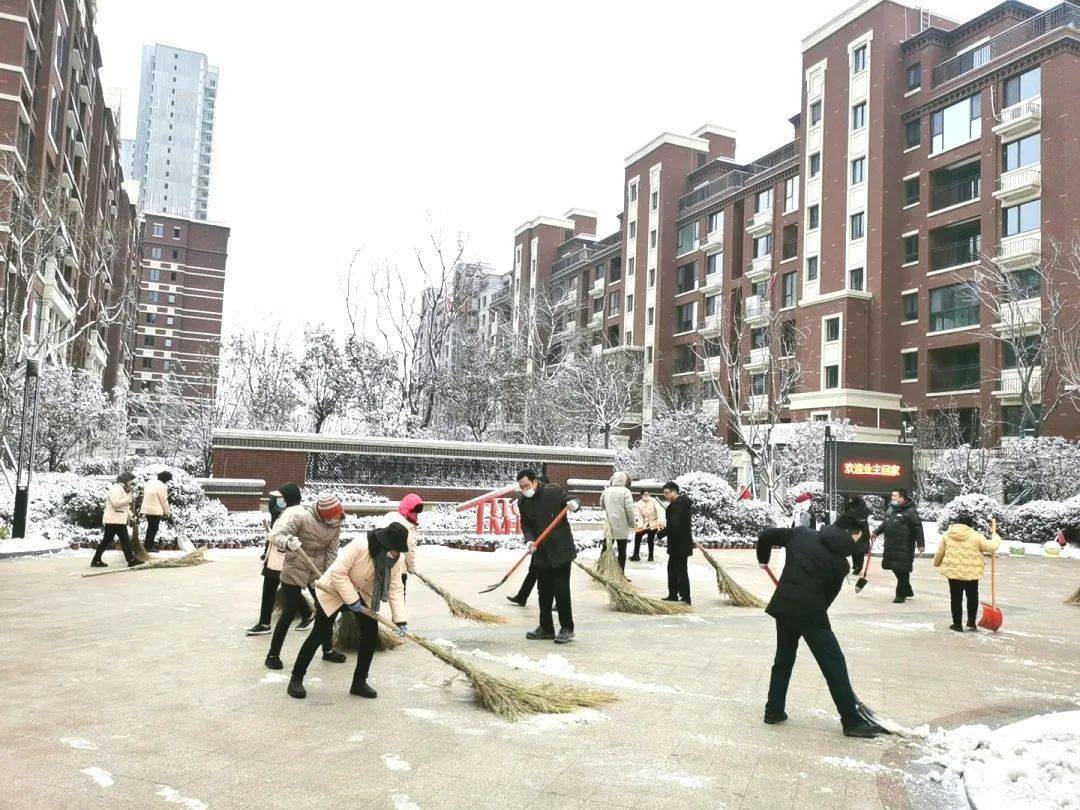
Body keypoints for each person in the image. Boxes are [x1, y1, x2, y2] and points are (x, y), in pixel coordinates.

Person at [756, 517, 884, 738]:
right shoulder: (841, 565)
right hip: (811, 614)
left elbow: (766, 535)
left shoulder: (801, 534)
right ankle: (852, 721)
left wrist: (763, 560)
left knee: (784, 658)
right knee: (834, 664)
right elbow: (826, 600)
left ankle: (773, 710)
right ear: (852, 535)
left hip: (784, 606)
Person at [287, 522, 410, 699]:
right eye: (394, 550)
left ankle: (359, 682)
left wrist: (400, 619)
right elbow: (338, 573)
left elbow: (395, 587)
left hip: (363, 594)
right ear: (384, 544)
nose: (396, 554)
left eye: (399, 551)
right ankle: (296, 678)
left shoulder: (397, 560)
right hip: (335, 590)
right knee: (320, 633)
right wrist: (352, 600)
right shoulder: (360, 545)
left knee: (370, 634)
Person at [265, 494, 347, 670]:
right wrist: (288, 542)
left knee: (326, 610)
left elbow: (332, 552)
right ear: (323, 515)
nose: (335, 520)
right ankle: (273, 655)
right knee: (289, 611)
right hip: (295, 566)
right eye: (332, 517)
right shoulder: (301, 517)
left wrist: (328, 576)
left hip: (317, 571)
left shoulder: (336, 524)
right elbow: (275, 535)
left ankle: (328, 650)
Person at [517, 468, 580, 644]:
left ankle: (567, 628)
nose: (524, 490)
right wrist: (529, 540)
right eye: (521, 487)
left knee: (561, 591)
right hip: (541, 552)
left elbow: (570, 499)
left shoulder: (553, 491)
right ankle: (546, 628)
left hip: (561, 550)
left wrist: (574, 504)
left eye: (527, 485)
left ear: (535, 481)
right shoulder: (523, 502)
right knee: (543, 592)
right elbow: (525, 524)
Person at [246, 484, 313, 636]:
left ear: (288, 497)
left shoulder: (294, 513)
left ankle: (265, 623)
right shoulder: (291, 511)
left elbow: (281, 535)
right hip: (277, 557)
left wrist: (271, 536)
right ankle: (306, 614)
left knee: (281, 588)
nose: (278, 500)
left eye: (281, 497)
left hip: (283, 557)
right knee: (281, 587)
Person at [933, 512, 1001, 632]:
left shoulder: (947, 535)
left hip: (953, 572)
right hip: (972, 573)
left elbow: (940, 552)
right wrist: (996, 537)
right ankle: (971, 622)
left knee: (956, 598)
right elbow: (991, 547)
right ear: (970, 524)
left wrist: (936, 563)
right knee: (972, 597)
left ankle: (957, 624)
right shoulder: (976, 536)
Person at [872, 489, 925, 603]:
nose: (893, 498)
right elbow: (885, 523)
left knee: (902, 570)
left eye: (895, 496)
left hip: (904, 546)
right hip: (891, 545)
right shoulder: (891, 509)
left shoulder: (911, 511)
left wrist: (921, 544)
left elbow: (918, 528)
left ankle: (900, 595)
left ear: (902, 498)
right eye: (892, 495)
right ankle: (907, 589)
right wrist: (876, 532)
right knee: (897, 570)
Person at [91, 472, 139, 568]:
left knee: (114, 540)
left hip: (117, 519)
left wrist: (130, 516)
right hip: (114, 519)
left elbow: (124, 507)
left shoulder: (122, 489)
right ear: (125, 481)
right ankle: (131, 560)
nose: (131, 483)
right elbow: (115, 503)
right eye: (130, 481)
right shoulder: (116, 489)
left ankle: (131, 560)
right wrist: (129, 498)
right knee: (121, 540)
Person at [657, 481, 693, 605]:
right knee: (672, 569)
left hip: (680, 544)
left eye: (667, 493)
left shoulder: (679, 505)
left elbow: (674, 524)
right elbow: (673, 524)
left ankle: (685, 598)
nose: (665, 496)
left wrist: (661, 533)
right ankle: (673, 594)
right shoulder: (678, 504)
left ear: (674, 491)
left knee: (680, 570)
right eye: (664, 494)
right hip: (677, 543)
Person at [601, 472, 636, 571]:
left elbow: (602, 504)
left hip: (609, 525)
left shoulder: (607, 490)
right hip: (622, 526)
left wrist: (609, 510)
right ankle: (620, 574)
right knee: (622, 551)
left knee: (605, 548)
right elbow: (629, 509)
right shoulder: (626, 492)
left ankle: (601, 570)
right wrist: (633, 524)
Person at [139, 471, 173, 553]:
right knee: (153, 529)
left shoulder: (149, 483)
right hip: (155, 510)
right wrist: (167, 512)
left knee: (150, 528)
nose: (168, 482)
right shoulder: (162, 486)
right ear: (165, 479)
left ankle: (147, 545)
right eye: (168, 480)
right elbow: (164, 500)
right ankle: (149, 546)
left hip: (147, 509)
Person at [840, 495, 871, 576]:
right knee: (858, 552)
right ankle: (857, 567)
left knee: (857, 551)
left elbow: (846, 516)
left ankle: (857, 566)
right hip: (861, 533)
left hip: (857, 533)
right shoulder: (863, 509)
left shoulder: (854, 510)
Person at [630, 490, 661, 562]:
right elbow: (640, 516)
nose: (646, 495)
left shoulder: (654, 501)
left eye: (648, 494)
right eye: (645, 494)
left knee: (650, 539)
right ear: (641, 495)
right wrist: (640, 527)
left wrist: (660, 521)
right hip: (644, 524)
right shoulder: (639, 503)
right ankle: (636, 555)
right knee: (637, 535)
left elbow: (659, 510)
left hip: (653, 523)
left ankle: (651, 556)